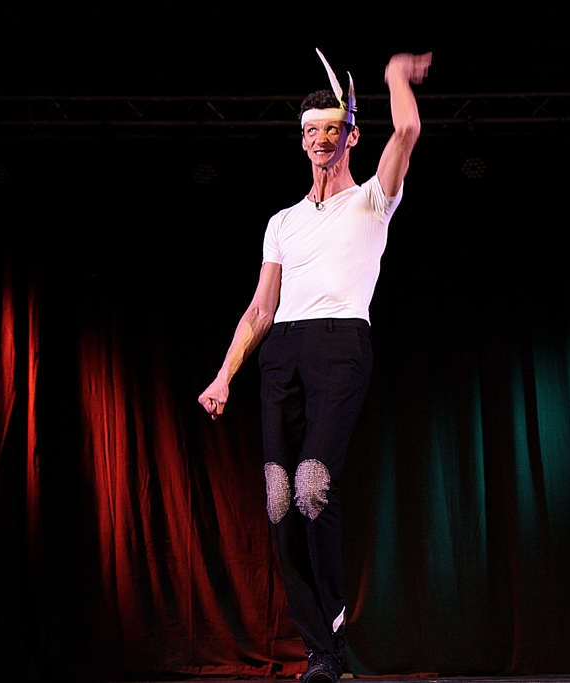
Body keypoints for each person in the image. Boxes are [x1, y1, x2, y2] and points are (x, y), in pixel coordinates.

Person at [199, 49, 431, 683]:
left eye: (332, 128)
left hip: (341, 346)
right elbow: (258, 312)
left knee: (311, 487)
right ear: (301, 141)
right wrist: (224, 375)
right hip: (282, 353)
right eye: (311, 130)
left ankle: (333, 629)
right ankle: (320, 649)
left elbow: (407, 131)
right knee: (279, 500)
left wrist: (392, 76)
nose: (321, 139)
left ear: (351, 134)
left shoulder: (374, 200)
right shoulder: (282, 223)